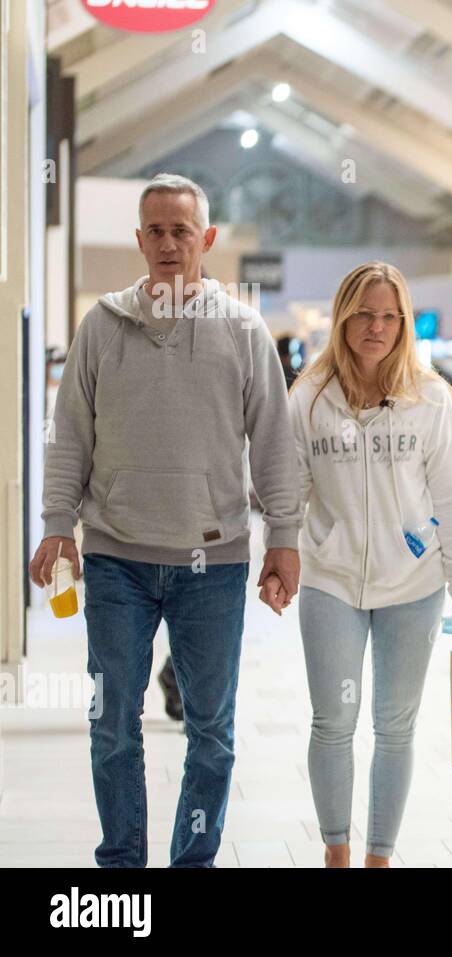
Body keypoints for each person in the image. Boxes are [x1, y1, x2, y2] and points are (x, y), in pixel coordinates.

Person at [29, 173, 302, 868]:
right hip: (116, 558)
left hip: (215, 563)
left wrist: (285, 540)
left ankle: (194, 859)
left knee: (210, 729)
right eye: (156, 230)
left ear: (206, 239)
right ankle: (122, 863)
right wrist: (58, 524)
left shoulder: (241, 329)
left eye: (183, 230)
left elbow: (274, 443)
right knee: (112, 723)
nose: (169, 242)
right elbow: (70, 438)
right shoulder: (102, 326)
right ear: (139, 240)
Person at [260, 262, 452, 869]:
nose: (376, 327)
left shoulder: (431, 397)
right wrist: (278, 560)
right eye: (364, 313)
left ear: (404, 323)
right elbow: (290, 491)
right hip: (329, 580)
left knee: (394, 726)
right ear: (343, 317)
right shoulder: (308, 398)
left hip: (413, 585)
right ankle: (336, 852)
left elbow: (449, 499)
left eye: (389, 316)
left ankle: (379, 857)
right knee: (333, 720)